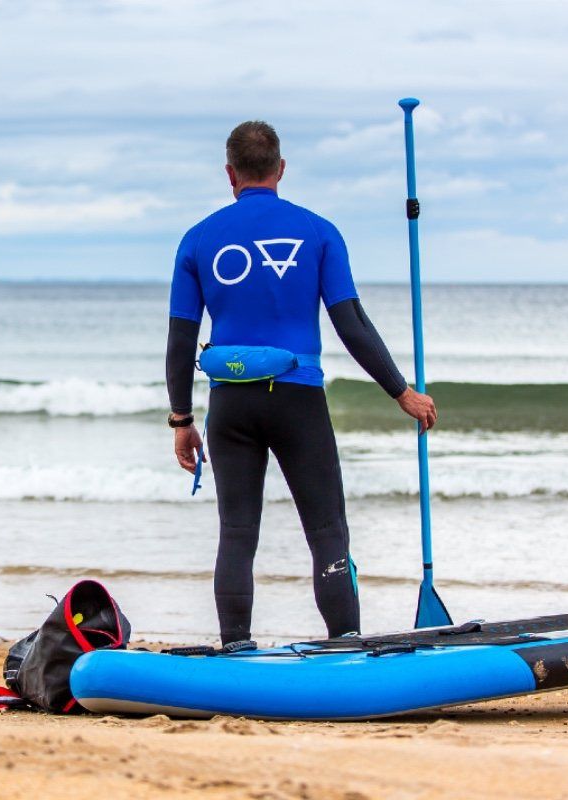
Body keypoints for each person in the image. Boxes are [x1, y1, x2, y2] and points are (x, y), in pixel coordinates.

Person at [165, 120, 437, 649]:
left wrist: (181, 420)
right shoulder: (317, 232)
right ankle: (345, 642)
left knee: (238, 533)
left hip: (230, 405)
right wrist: (400, 391)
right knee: (326, 531)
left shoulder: (198, 240)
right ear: (281, 169)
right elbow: (351, 322)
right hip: (298, 399)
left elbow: (180, 340)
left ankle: (236, 647)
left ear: (230, 174)